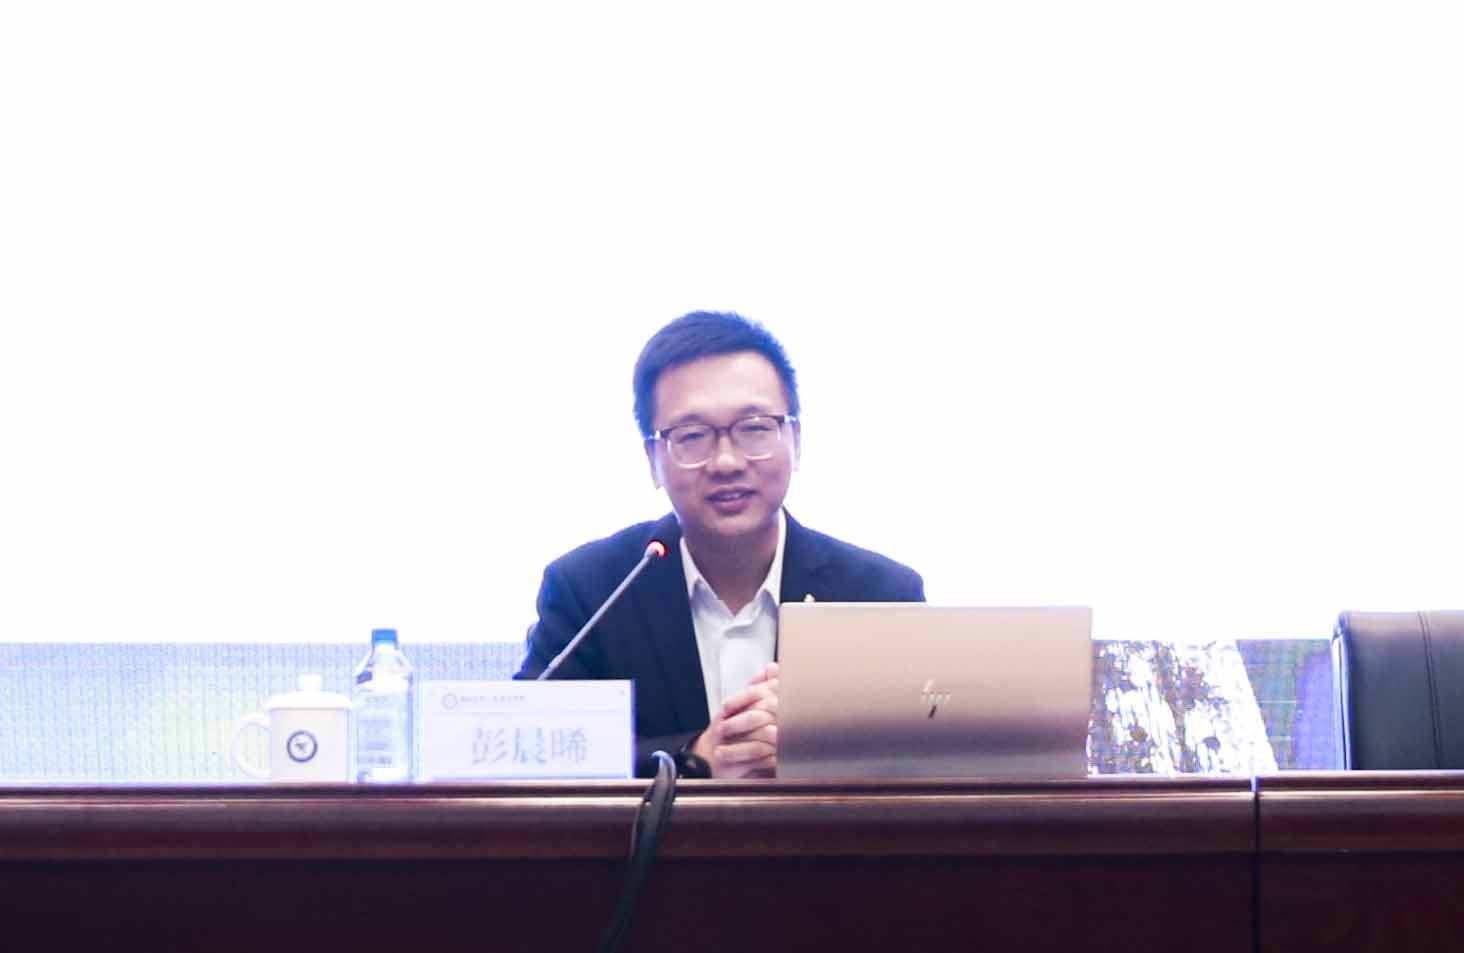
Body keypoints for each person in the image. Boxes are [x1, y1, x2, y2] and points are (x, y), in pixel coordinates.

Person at [516, 311, 924, 777]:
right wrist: (695, 757)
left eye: (754, 428)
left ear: (795, 439)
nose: (726, 462)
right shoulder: (591, 590)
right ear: (652, 457)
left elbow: (922, 759)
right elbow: (529, 749)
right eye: (692, 436)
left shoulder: (880, 595)